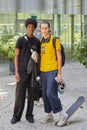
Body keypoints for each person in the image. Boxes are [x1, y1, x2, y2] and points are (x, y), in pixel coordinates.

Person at [10, 18, 40, 124]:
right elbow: (16, 56)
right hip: (22, 72)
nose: (31, 29)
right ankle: (16, 116)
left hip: (32, 73)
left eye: (33, 27)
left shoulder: (37, 41)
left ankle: (29, 115)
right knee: (19, 95)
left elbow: (38, 58)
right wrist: (16, 72)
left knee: (31, 95)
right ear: (26, 27)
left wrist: (38, 74)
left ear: (35, 28)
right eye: (29, 27)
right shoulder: (21, 40)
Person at [40, 21, 68, 127]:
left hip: (53, 70)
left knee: (50, 93)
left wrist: (59, 74)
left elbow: (59, 57)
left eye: (46, 28)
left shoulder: (55, 40)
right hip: (43, 71)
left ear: (49, 28)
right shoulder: (41, 42)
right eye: (42, 28)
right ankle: (49, 114)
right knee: (44, 95)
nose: (44, 30)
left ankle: (62, 114)